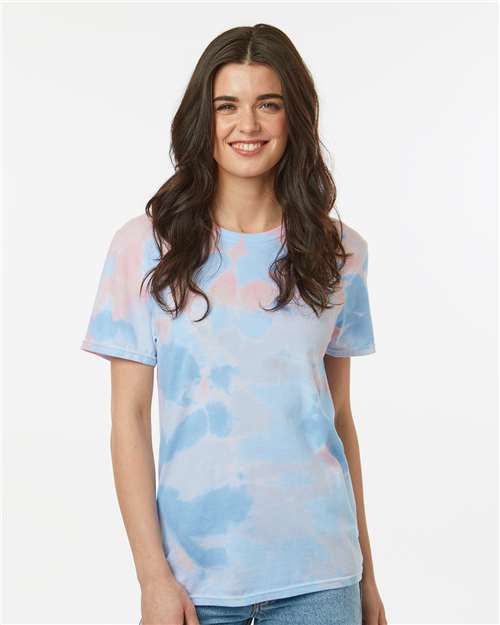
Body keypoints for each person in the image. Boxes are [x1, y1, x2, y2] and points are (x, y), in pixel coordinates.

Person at [80, 23, 387, 625]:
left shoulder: (339, 252)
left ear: (295, 116)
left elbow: (338, 419)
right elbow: (129, 420)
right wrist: (152, 577)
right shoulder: (145, 248)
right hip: (194, 585)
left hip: (323, 578)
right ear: (205, 119)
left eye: (268, 104)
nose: (247, 124)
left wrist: (367, 578)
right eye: (228, 106)